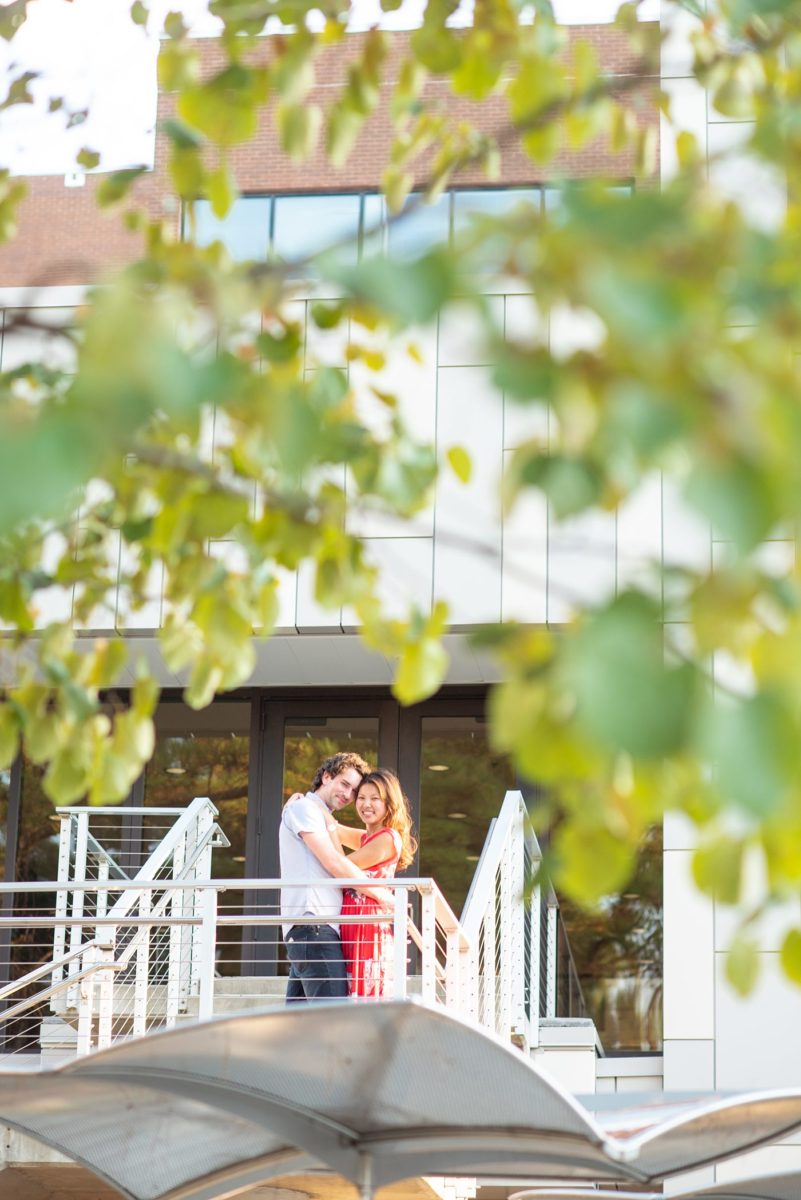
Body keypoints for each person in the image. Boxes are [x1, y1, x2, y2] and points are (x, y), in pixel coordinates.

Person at [279, 750, 373, 1003]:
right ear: (326, 776)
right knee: (334, 1024)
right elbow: (333, 863)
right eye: (344, 784)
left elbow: (370, 840)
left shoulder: (319, 815)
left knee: (300, 1030)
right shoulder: (304, 809)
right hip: (314, 927)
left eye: (354, 791)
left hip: (312, 929)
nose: (348, 794)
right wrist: (382, 895)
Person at [333, 768, 417, 999]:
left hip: (368, 925)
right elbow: (334, 828)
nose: (366, 804)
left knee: (364, 998)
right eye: (361, 798)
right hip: (352, 922)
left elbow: (338, 866)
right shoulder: (366, 838)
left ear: (389, 803)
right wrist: (305, 803)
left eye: (374, 799)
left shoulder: (388, 838)